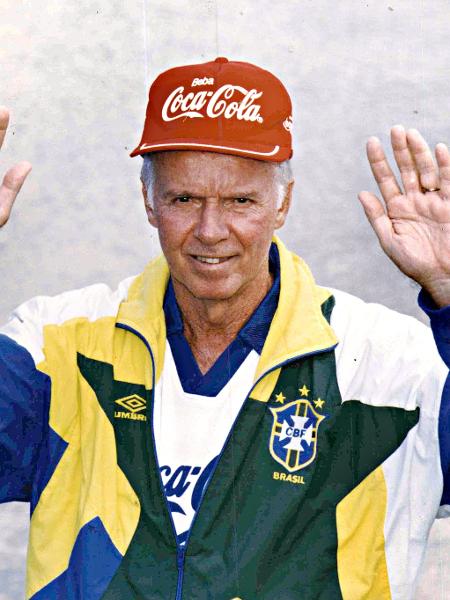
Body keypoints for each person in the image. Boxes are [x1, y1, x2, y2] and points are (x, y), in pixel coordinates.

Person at [0, 56, 449, 600]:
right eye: (184, 199)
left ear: (283, 201)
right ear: (148, 201)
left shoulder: (391, 362)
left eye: (240, 200)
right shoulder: (57, 345)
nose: (210, 231)